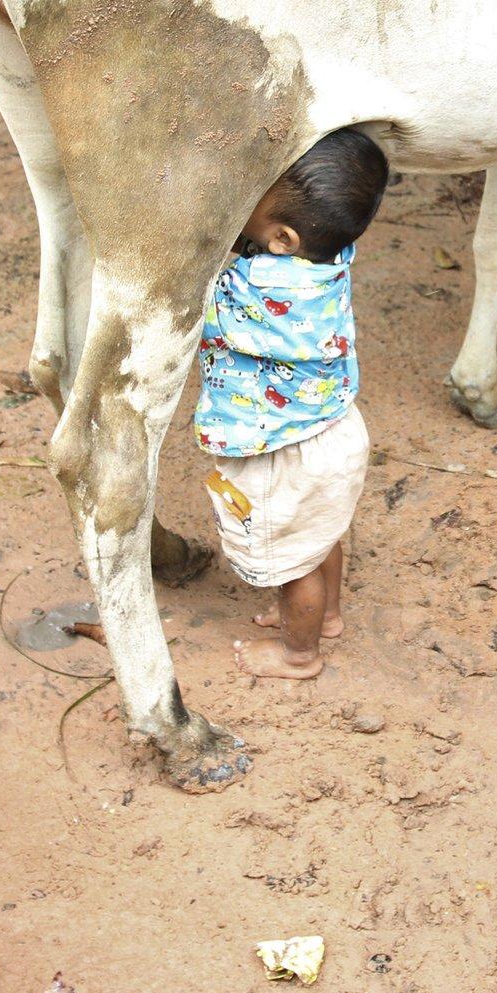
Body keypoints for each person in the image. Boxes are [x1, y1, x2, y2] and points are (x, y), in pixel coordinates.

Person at [196, 129, 388, 680]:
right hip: (334, 428)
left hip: (285, 449)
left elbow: (201, 303)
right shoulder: (332, 258)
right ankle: (326, 617)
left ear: (282, 238)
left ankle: (298, 655)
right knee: (321, 536)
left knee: (291, 565)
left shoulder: (254, 290)